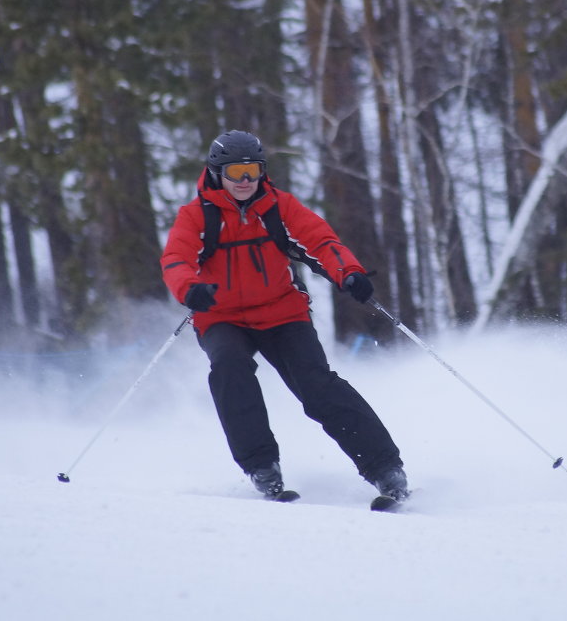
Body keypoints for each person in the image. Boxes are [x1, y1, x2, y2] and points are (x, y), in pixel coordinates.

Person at [160, 130, 409, 502]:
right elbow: (176, 259)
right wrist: (190, 288)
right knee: (229, 368)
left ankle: (386, 470)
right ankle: (262, 467)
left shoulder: (278, 206)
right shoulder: (197, 216)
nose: (245, 181)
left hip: (281, 312)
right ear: (216, 173)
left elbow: (321, 240)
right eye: (235, 172)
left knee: (317, 385)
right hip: (222, 316)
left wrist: (349, 272)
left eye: (252, 170)